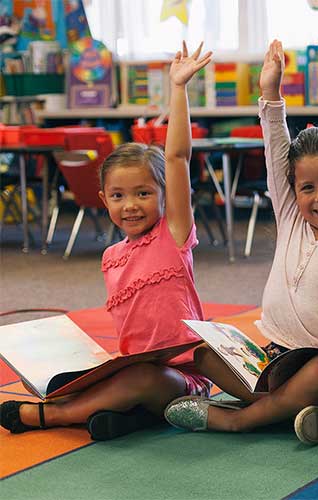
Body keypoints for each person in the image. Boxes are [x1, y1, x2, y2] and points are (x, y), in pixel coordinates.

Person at [163, 39, 318, 445]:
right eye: (308, 188)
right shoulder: (292, 219)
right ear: (293, 192)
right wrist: (271, 93)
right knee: (202, 353)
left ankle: (240, 420)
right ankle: (304, 412)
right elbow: (275, 149)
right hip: (273, 356)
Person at [0, 42, 214, 441]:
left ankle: (54, 416)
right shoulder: (111, 257)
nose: (130, 205)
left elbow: (178, 158)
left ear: (165, 196)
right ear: (103, 201)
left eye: (143, 194)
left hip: (181, 378)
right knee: (105, 377)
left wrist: (178, 89)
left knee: (140, 379)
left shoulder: (173, 235)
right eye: (118, 196)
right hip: (131, 370)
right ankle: (126, 417)